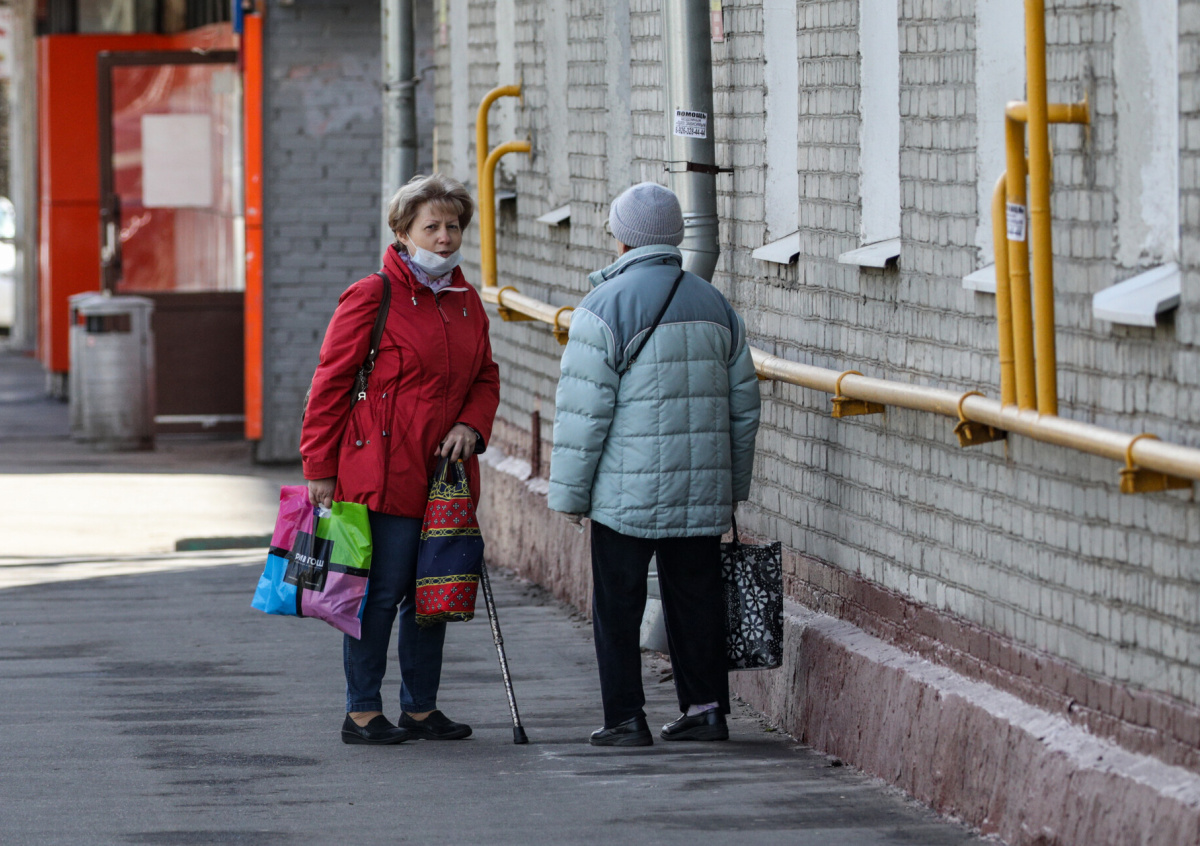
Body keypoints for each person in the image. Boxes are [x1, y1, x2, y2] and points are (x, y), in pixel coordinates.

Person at [548, 182, 761, 746]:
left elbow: (583, 415)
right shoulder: (715, 304)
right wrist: (732, 486)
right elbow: (744, 408)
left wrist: (569, 495)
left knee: (617, 606)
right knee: (696, 599)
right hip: (700, 491)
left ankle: (625, 718)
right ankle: (706, 709)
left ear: (622, 238)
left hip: (626, 496)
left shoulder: (603, 307)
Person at [301, 173, 500, 745]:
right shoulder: (373, 295)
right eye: (431, 227)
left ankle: (420, 707)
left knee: (432, 596)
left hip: (444, 478)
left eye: (453, 226)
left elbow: (485, 377)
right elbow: (330, 383)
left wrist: (471, 425)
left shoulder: (466, 301)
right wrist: (319, 467)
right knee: (379, 595)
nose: (444, 238)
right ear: (402, 232)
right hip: (382, 474)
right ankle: (362, 711)